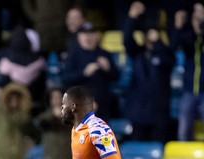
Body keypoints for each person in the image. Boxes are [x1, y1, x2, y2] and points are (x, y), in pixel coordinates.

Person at [123, 1, 175, 142]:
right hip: (138, 111)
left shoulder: (165, 53)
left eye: (153, 34)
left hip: (158, 111)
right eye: (147, 34)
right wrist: (132, 17)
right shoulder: (137, 53)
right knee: (137, 146)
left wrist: (158, 42)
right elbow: (127, 39)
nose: (149, 37)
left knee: (157, 147)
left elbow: (168, 60)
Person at [62, 22, 120, 120]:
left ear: (97, 36)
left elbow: (116, 76)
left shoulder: (104, 53)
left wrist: (108, 69)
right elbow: (66, 78)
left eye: (91, 34)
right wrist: (84, 73)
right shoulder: (73, 55)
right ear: (79, 37)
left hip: (102, 105)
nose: (88, 37)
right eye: (84, 34)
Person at [170, 2, 204, 141]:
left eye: (201, 12)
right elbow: (173, 45)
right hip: (189, 90)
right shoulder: (188, 36)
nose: (198, 16)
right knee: (183, 131)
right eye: (195, 12)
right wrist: (178, 25)